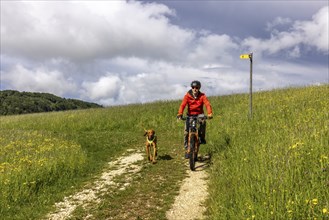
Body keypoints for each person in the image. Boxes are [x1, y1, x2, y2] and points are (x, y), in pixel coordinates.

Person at [177, 80, 213, 158]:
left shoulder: (202, 96)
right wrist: (180, 114)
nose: (195, 89)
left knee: (203, 123)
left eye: (196, 87)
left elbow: (207, 104)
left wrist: (209, 113)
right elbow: (183, 105)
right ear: (191, 88)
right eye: (193, 87)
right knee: (186, 132)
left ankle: (201, 138)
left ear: (199, 88)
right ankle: (187, 149)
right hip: (190, 115)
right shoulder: (187, 96)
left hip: (200, 115)